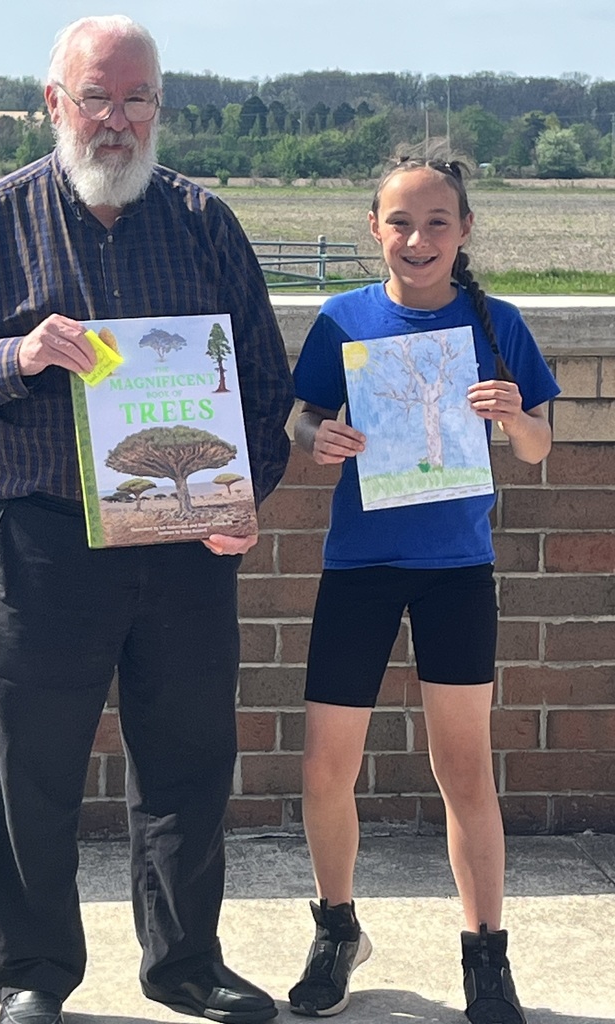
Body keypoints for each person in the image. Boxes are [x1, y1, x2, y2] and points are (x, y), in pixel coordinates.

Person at [0, 15, 293, 1024]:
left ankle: (186, 961)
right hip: (46, 540)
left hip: (188, 540)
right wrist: (13, 359)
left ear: (161, 106)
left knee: (190, 758)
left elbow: (262, 386)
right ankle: (31, 972)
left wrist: (244, 504)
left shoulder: (205, 222)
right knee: (33, 765)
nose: (118, 120)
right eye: (98, 98)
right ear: (54, 104)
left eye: (138, 98)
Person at [287, 155, 560, 1024]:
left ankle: (487, 953)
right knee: (327, 766)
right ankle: (336, 928)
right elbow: (301, 415)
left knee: (464, 769)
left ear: (465, 231)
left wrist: (512, 414)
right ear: (375, 228)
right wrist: (317, 437)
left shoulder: (500, 323)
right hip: (359, 567)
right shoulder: (341, 319)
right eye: (401, 222)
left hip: (454, 571)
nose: (418, 239)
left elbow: (539, 448)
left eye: (437, 222)